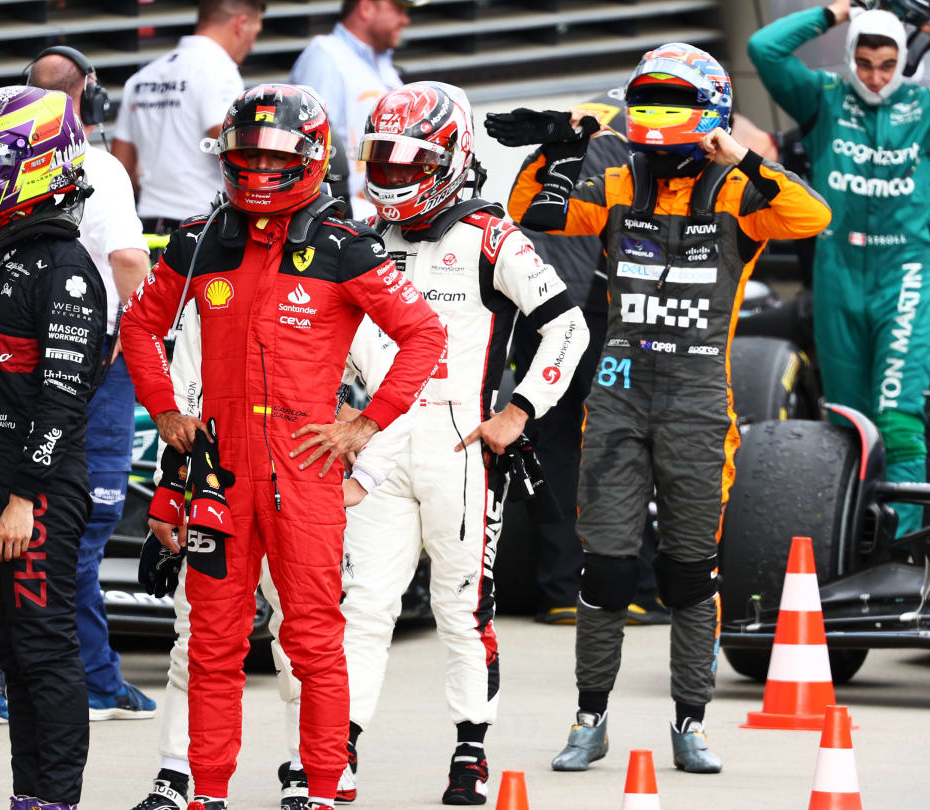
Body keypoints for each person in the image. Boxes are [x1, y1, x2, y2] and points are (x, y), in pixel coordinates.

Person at [485, 42, 832, 774]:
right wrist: (555, 152)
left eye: (672, 100)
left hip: (701, 399)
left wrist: (738, 155)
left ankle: (690, 722)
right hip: (616, 391)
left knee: (689, 571)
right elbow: (532, 217)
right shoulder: (617, 173)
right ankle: (590, 718)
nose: (655, 115)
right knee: (605, 567)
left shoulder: (738, 190)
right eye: (650, 99)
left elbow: (812, 216)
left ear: (708, 111)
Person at [120, 83, 446, 810]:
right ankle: (205, 793)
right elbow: (139, 327)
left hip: (305, 471)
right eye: (247, 155)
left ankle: (323, 790)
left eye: (274, 155)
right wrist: (166, 408)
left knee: (314, 640)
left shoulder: (342, 243)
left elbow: (424, 334)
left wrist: (365, 426)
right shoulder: (202, 238)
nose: (259, 168)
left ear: (310, 156)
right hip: (219, 473)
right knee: (211, 644)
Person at [336, 82, 589, 805]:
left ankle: (469, 754)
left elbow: (566, 327)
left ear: (448, 157)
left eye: (406, 162)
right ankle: (337, 754)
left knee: (461, 607)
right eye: (380, 160)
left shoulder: (491, 236)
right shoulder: (359, 238)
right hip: (377, 437)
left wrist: (519, 411)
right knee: (364, 606)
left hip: (461, 441)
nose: (389, 176)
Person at [0, 46, 157, 727]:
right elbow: (125, 258)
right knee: (81, 512)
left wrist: (11, 306)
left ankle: (95, 674)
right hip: (92, 363)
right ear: (89, 100)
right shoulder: (99, 168)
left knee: (46, 506)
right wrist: (135, 335)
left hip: (10, 362)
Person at [747, 0, 930, 538]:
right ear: (850, 58)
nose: (875, 76)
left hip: (906, 276)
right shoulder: (821, 100)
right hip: (837, 275)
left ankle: (906, 549)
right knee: (846, 420)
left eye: (887, 64)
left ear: (900, 63)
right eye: (864, 63)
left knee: (897, 421)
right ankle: (843, 546)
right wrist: (835, 11)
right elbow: (762, 50)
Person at [131, 304, 413, 810]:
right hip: (219, 493)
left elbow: (408, 375)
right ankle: (177, 772)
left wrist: (366, 475)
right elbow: (180, 400)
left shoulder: (334, 275)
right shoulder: (211, 280)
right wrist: (168, 492)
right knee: (196, 635)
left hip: (304, 492)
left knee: (304, 639)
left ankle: (307, 771)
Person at [0, 85, 108, 810]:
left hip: (42, 485)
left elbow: (63, 401)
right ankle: (27, 797)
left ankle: (55, 800)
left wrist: (25, 500)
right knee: (9, 650)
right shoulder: (0, 260)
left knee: (43, 649)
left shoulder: (67, 270)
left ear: (34, 165)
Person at [504, 91, 668, 627]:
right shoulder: (646, 140)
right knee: (621, 441)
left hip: (534, 303)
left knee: (551, 447)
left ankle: (558, 590)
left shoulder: (577, 121)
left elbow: (520, 210)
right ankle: (635, 587)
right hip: (596, 310)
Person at [112, 0, 265, 233]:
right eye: (256, 32)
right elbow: (237, 151)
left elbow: (120, 169)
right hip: (202, 225)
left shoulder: (143, 77)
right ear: (241, 24)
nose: (253, 46)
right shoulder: (219, 70)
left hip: (146, 226)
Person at [288, 0, 419, 220]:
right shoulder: (325, 57)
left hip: (378, 208)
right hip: (344, 214)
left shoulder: (381, 62)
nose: (405, 20)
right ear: (366, 8)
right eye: (399, 9)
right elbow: (310, 145)